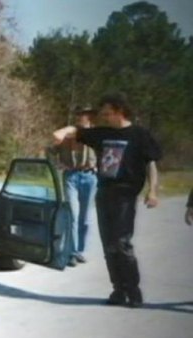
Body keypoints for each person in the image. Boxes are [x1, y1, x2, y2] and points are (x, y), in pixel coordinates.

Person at [53, 93, 162, 307]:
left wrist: (153, 191)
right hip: (104, 192)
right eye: (103, 114)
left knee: (122, 243)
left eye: (108, 113)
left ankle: (133, 291)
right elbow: (79, 132)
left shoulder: (139, 134)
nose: (104, 117)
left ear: (120, 110)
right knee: (109, 245)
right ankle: (118, 290)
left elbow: (151, 164)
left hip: (126, 193)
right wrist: (64, 130)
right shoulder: (103, 133)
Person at [48, 105, 98, 266]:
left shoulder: (97, 135)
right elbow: (51, 148)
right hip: (71, 176)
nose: (82, 117)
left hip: (90, 176)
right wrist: (57, 164)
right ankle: (72, 252)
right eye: (80, 114)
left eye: (86, 114)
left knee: (85, 219)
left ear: (91, 117)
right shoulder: (67, 135)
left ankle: (80, 251)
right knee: (73, 216)